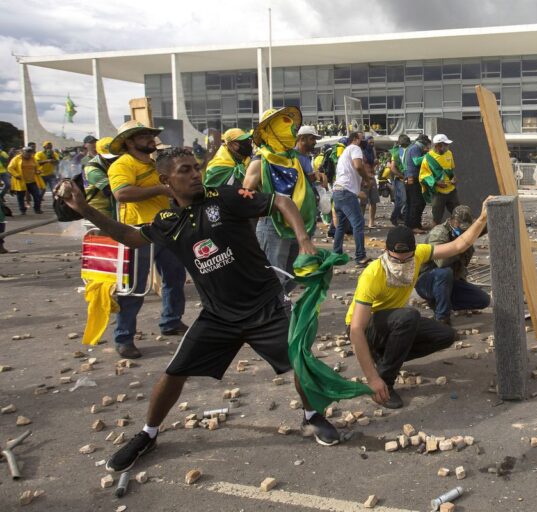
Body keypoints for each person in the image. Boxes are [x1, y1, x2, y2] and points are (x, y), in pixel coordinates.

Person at [57, 148, 347, 473]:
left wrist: (304, 238)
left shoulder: (225, 197)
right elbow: (128, 236)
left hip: (265, 306)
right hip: (218, 315)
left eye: (196, 167)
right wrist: (83, 208)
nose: (195, 173)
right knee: (173, 373)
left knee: (300, 362)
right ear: (166, 180)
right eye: (185, 170)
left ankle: (311, 416)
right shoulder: (167, 221)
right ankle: (148, 434)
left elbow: (280, 201)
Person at [346, 203, 490, 409]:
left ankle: (384, 358)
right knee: (408, 317)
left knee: (446, 335)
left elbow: (459, 245)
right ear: (386, 251)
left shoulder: (420, 254)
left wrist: (483, 216)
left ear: (415, 252)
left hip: (393, 322)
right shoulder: (373, 274)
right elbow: (356, 329)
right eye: (397, 259)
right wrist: (372, 379)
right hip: (367, 328)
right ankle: (385, 382)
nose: (403, 265)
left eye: (408, 259)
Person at [108, 121, 188, 358]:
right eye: (144, 136)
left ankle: (171, 321)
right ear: (130, 142)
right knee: (134, 286)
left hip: (163, 227)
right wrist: (160, 190)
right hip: (137, 231)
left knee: (175, 276)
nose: (150, 139)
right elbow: (122, 193)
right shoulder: (123, 164)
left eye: (150, 135)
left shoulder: (154, 164)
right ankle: (124, 336)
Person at [243, 108, 321, 294]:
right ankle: (273, 312)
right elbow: (245, 196)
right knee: (274, 275)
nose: (292, 131)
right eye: (285, 126)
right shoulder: (260, 161)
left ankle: (279, 304)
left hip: (298, 223)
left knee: (294, 273)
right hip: (273, 224)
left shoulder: (292, 159)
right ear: (272, 131)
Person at [415, 205, 490, 325]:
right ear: (453, 221)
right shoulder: (439, 233)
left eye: (467, 229)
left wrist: (487, 214)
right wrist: (460, 247)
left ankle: (442, 302)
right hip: (428, 280)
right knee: (445, 272)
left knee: (483, 300)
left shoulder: (463, 232)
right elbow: (441, 262)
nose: (464, 232)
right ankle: (441, 318)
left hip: (450, 282)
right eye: (461, 228)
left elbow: (481, 228)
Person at [331, 131, 372, 265]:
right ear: (355, 139)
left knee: (341, 226)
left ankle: (336, 254)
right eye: (362, 138)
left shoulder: (344, 152)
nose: (364, 141)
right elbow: (358, 166)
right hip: (345, 192)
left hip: (338, 191)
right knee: (358, 223)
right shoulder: (355, 148)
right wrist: (367, 179)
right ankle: (360, 256)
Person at [419, 134, 459, 225]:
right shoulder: (428, 158)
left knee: (458, 215)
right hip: (438, 193)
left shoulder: (449, 153)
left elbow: (451, 169)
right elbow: (423, 176)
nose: (447, 146)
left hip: (452, 191)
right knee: (436, 218)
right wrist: (436, 183)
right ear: (438, 146)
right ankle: (434, 237)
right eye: (445, 145)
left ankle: (459, 236)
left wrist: (454, 178)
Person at [82, 137, 119, 218]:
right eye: (110, 158)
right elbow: (111, 191)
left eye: (115, 156)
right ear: (98, 153)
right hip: (100, 211)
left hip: (113, 208)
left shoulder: (111, 163)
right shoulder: (92, 170)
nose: (114, 159)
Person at [402, 134, 430, 232]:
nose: (427, 147)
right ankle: (414, 226)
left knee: (412, 203)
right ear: (423, 143)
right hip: (412, 178)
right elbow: (416, 162)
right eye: (427, 145)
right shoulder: (415, 148)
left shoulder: (413, 148)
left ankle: (410, 225)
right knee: (417, 202)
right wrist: (427, 155)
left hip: (410, 178)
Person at [9, 147, 45, 214]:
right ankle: (22, 210)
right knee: (20, 197)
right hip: (21, 181)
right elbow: (10, 168)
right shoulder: (16, 159)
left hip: (32, 181)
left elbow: (37, 167)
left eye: (30, 153)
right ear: (22, 152)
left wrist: (38, 171)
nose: (29, 155)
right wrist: (16, 175)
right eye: (27, 153)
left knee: (37, 195)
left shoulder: (33, 158)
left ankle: (37, 209)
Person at [387, 135, 410, 227]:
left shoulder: (406, 151)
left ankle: (403, 217)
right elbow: (391, 166)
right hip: (399, 179)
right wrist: (402, 176)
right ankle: (394, 218)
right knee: (401, 201)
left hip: (403, 179)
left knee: (405, 200)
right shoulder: (396, 152)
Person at [360, 137, 380, 228]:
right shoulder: (361, 152)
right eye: (370, 142)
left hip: (372, 178)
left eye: (373, 142)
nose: (372, 143)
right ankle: (361, 222)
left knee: (373, 201)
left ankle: (371, 222)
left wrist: (375, 163)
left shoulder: (372, 151)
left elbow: (375, 163)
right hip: (364, 179)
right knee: (363, 202)